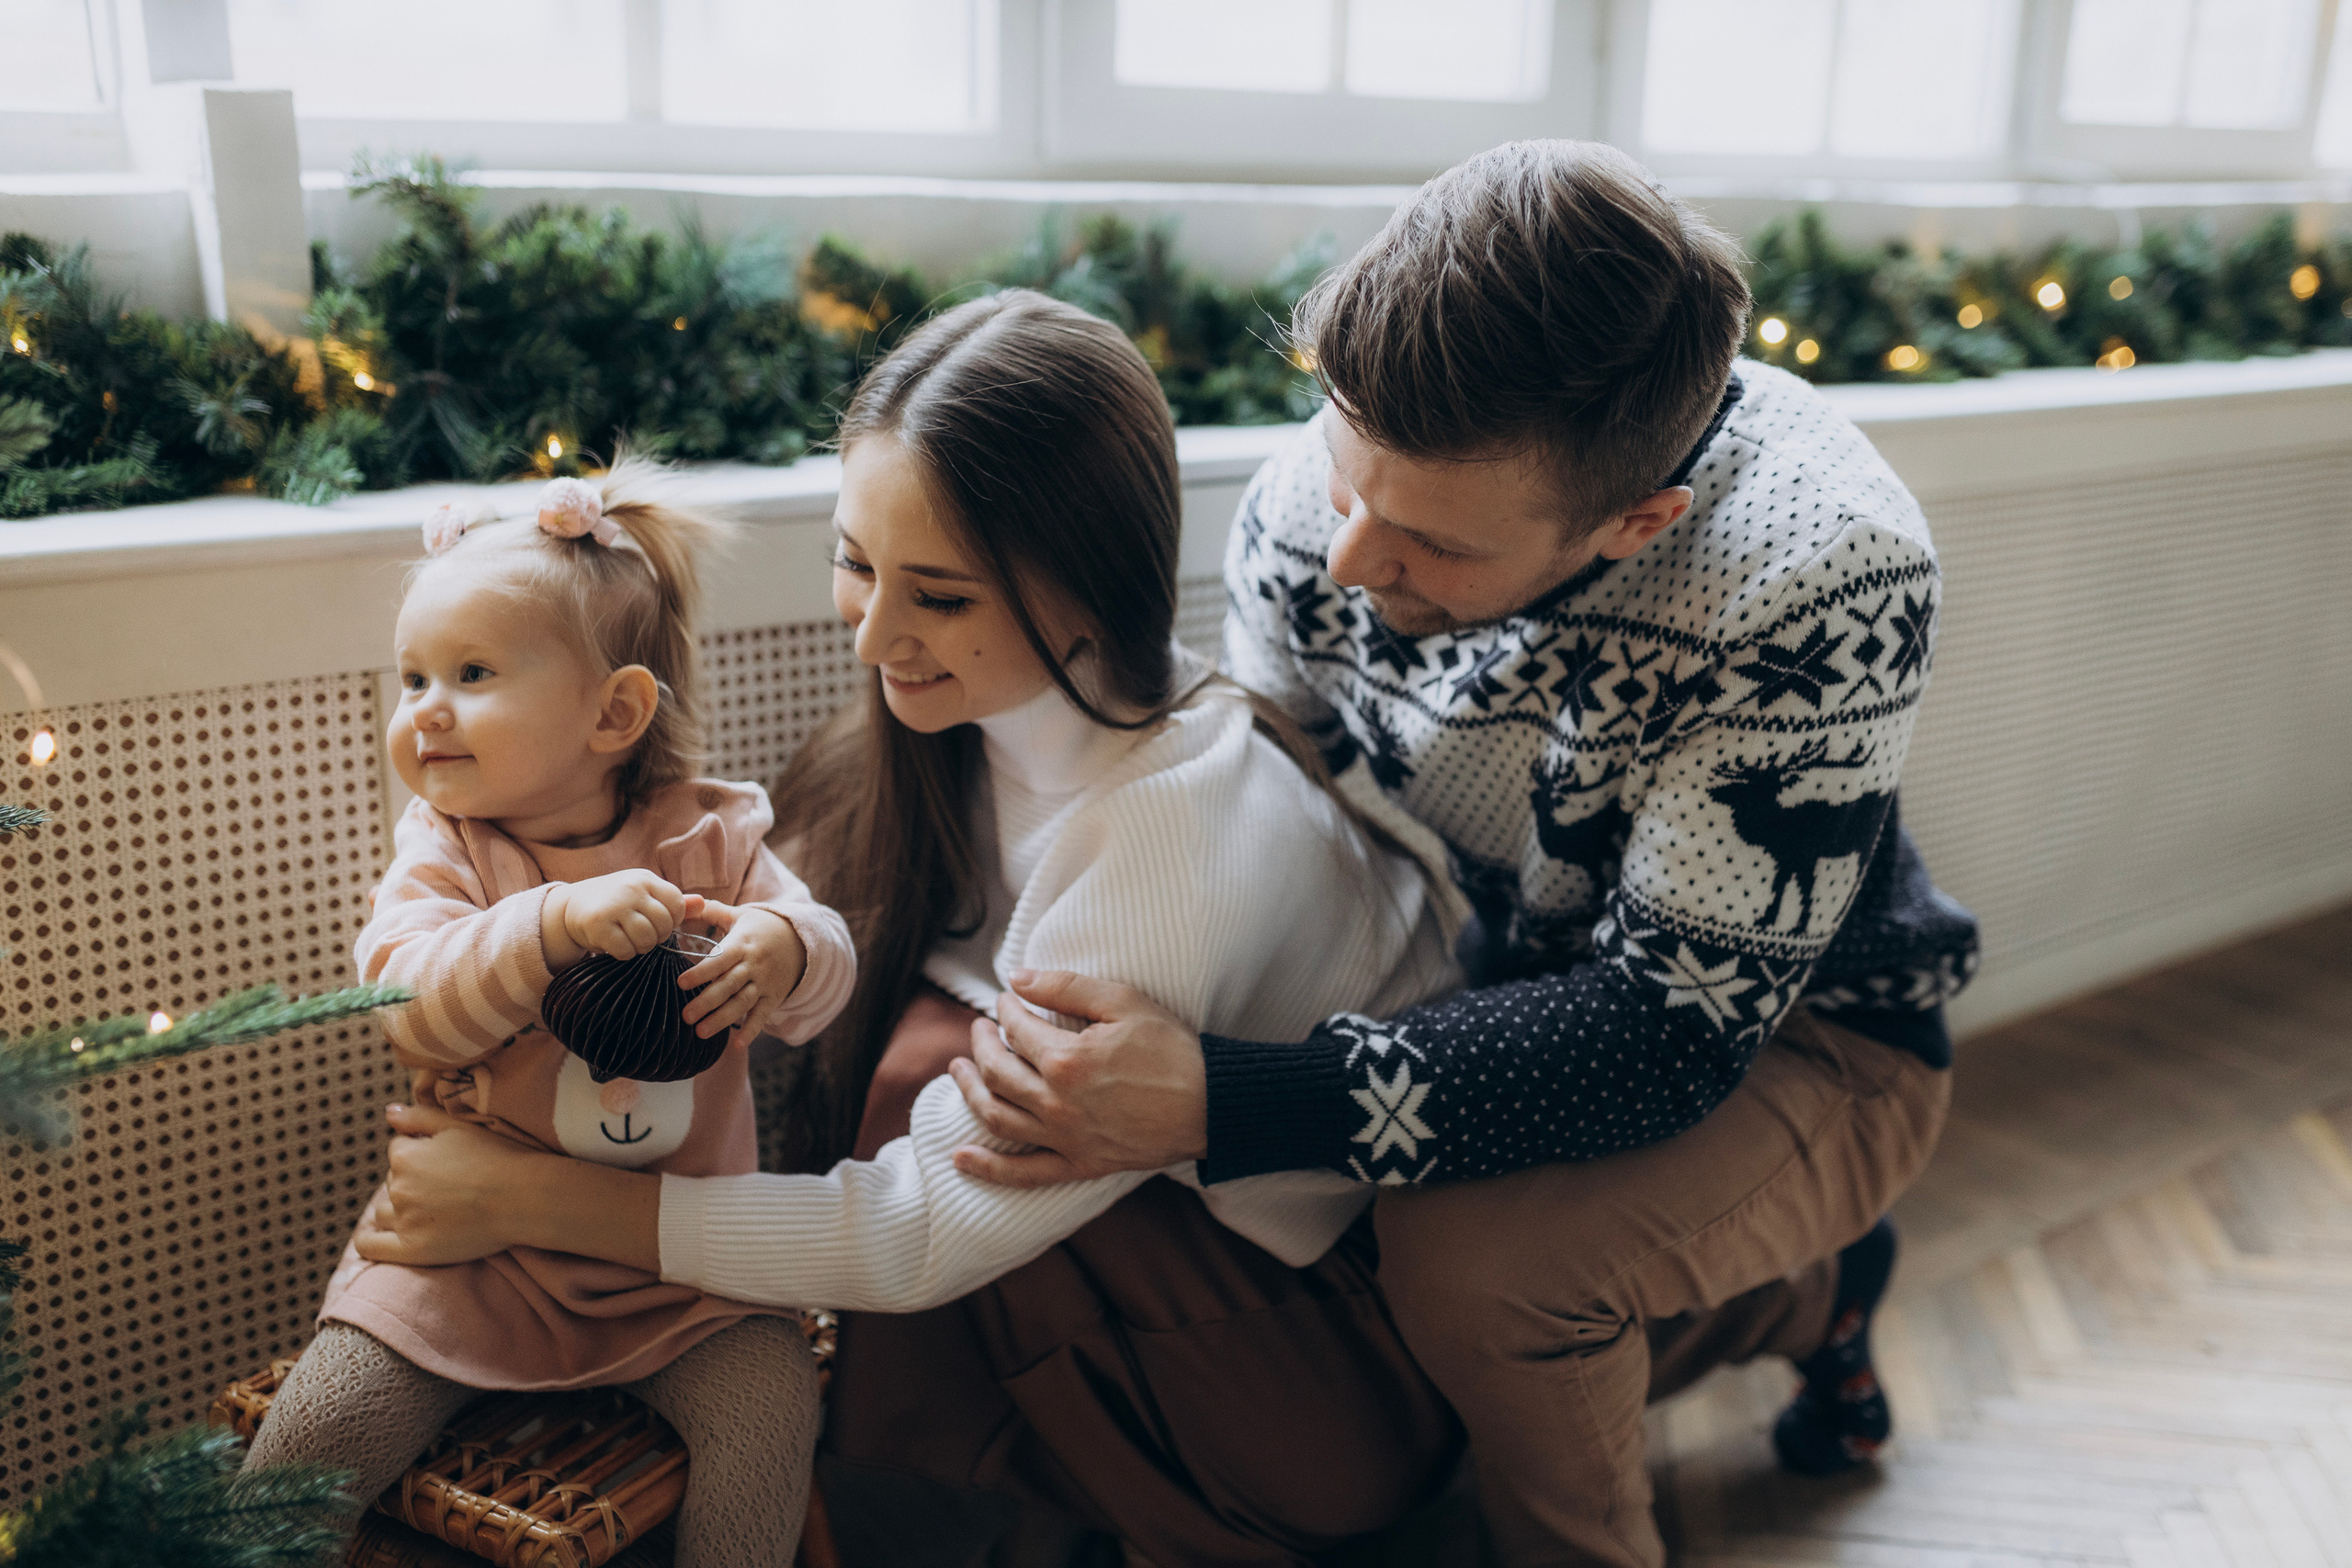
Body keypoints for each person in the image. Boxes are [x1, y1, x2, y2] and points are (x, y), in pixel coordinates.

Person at [946, 140, 1980, 1567]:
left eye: (1430, 542)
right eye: (1343, 471)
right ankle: (1795, 1293)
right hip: (1484, 964)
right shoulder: (1337, 490)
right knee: (1368, 1229)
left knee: (1479, 1267)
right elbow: (1281, 787)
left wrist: (1226, 1099)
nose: (1350, 556)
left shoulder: (1824, 571)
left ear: (1641, 522)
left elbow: (1664, 1037)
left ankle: (1763, 1323)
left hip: (1807, 1035)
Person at [349, 291, 1472, 1564]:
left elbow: (916, 1227)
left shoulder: (1169, 825)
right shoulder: (962, 733)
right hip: (1132, 1275)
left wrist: (535, 1200)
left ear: (1086, 582)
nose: (876, 633)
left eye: (936, 593)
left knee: (928, 1078)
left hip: (1315, 1373)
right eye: (858, 562)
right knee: (911, 1051)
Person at [242, 461, 859, 1568]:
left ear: (613, 711)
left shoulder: (710, 841)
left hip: (681, 1272)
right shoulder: (448, 853)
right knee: (311, 1442)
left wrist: (782, 946)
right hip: (468, 1262)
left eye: (469, 673)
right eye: (411, 676)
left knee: (771, 1418)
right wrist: (549, 924)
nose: (422, 710)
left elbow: (824, 983)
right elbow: (412, 1009)